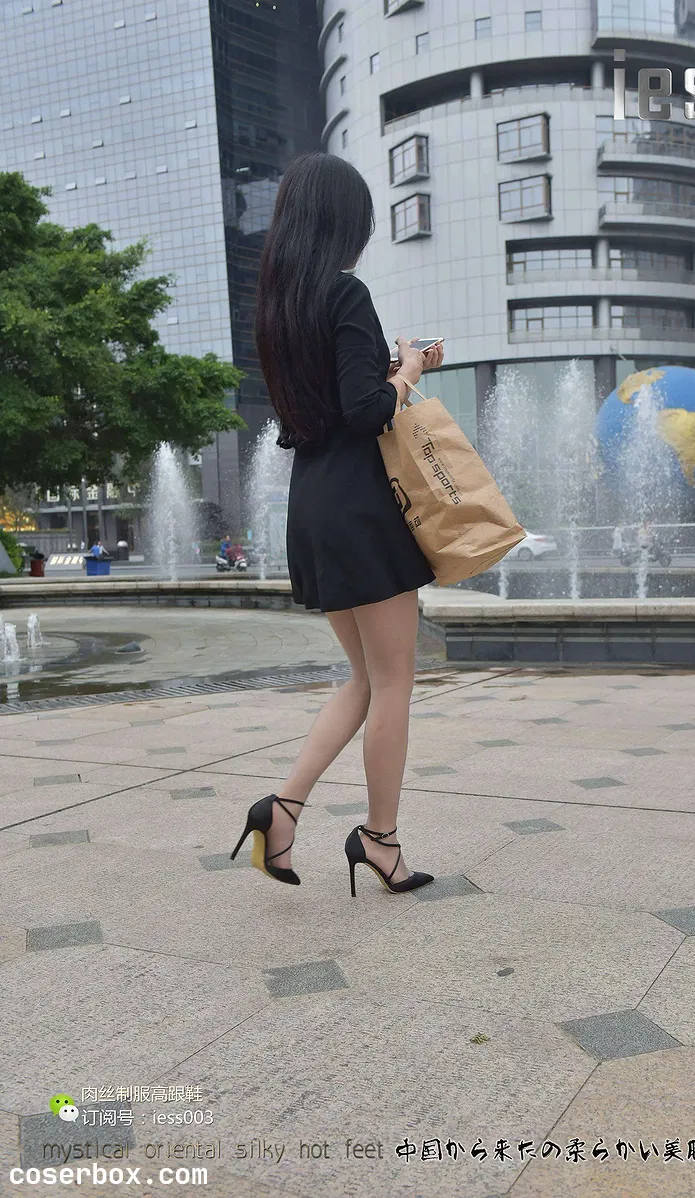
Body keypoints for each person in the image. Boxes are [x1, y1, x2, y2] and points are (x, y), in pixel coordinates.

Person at [231, 153, 444, 895]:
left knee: (364, 678)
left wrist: (386, 373)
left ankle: (281, 810)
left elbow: (326, 404)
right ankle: (380, 840)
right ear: (343, 223)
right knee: (393, 682)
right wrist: (409, 370)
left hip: (314, 505)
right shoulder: (345, 292)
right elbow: (365, 411)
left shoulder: (278, 310)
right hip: (361, 508)